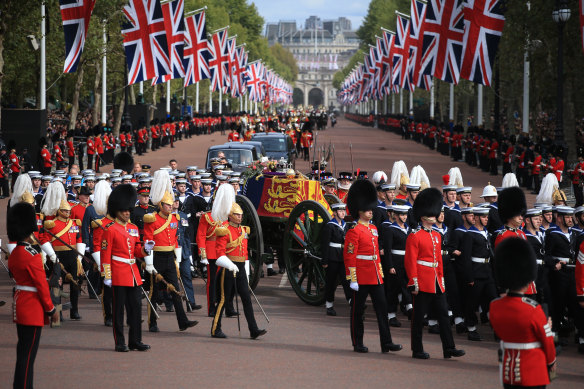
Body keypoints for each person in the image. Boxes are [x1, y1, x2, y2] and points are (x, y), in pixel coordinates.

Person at [405, 188, 465, 359]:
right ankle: (417, 349)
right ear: (423, 215)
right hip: (422, 281)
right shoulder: (414, 236)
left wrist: (441, 280)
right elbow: (410, 261)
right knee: (418, 319)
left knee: (444, 316)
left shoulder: (437, 236)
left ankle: (449, 348)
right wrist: (413, 282)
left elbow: (438, 260)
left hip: (436, 281)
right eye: (431, 213)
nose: (435, 216)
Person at [343, 179, 402, 354]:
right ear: (360, 211)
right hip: (360, 277)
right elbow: (350, 256)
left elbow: (376, 255)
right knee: (357, 312)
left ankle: (387, 342)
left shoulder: (373, 229)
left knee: (382, 310)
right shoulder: (354, 231)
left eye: (371, 209)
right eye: (368, 210)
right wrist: (352, 279)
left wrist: (380, 273)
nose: (371, 212)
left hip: (375, 276)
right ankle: (357, 342)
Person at [490, 238, 556, 388]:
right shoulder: (532, 309)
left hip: (508, 371)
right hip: (533, 372)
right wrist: (551, 361)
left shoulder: (495, 306)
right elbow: (547, 341)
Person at [8, 203, 58, 389]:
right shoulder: (32, 254)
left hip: (21, 303)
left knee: (23, 353)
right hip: (33, 308)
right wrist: (51, 309)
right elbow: (41, 285)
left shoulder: (16, 253)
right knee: (28, 356)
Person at [101, 184, 153, 352]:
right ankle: (120, 342)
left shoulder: (133, 228)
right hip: (117, 273)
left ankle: (135, 340)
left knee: (136, 309)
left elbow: (136, 250)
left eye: (128, 210)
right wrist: (107, 275)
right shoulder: (109, 229)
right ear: (117, 210)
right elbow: (105, 254)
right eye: (124, 210)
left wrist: (146, 249)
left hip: (133, 273)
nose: (127, 213)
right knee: (118, 311)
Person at [211, 184, 267, 339]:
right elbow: (219, 254)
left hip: (241, 267)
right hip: (227, 268)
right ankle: (215, 328)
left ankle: (253, 329)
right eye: (237, 215)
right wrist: (230, 265)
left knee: (247, 299)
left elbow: (245, 252)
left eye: (241, 215)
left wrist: (246, 269)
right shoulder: (224, 230)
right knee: (223, 300)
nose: (240, 217)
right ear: (230, 215)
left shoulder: (243, 230)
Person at [143, 184, 198, 332]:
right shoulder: (152, 219)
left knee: (175, 290)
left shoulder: (174, 219)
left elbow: (175, 240)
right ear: (161, 205)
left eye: (171, 204)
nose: (170, 206)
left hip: (169, 257)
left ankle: (183, 321)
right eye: (167, 204)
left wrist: (177, 259)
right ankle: (152, 322)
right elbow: (148, 241)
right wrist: (149, 261)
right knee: (154, 292)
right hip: (156, 257)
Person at [381, 204, 413, 326]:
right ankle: (391, 315)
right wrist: (390, 266)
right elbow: (388, 250)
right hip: (395, 261)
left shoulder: (408, 229)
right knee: (393, 290)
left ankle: (409, 307)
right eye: (402, 215)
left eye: (405, 215)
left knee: (407, 285)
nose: (404, 217)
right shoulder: (391, 229)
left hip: (407, 261)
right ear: (396, 215)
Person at [321, 203, 350, 316]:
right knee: (331, 282)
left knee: (346, 280)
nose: (343, 213)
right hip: (332, 256)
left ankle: (351, 301)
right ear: (335, 213)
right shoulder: (330, 226)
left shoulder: (345, 225)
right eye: (340, 211)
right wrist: (325, 260)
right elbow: (325, 244)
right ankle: (329, 305)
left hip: (343, 257)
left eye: (344, 211)